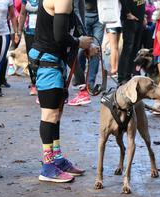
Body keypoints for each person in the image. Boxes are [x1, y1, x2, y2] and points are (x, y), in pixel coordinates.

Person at [28, 0, 93, 182]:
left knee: (55, 114)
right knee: (49, 115)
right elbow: (60, 36)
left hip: (53, 61)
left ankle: (56, 159)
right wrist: (80, 42)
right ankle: (48, 167)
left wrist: (85, 45)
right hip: (47, 62)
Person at [67, 0, 104, 106]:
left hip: (98, 17)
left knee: (94, 50)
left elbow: (77, 10)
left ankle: (89, 85)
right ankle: (80, 81)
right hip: (83, 18)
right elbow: (77, 9)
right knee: (79, 52)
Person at [117, 0, 145, 85]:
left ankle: (129, 75)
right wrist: (127, 13)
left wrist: (144, 16)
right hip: (129, 19)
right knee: (128, 48)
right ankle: (122, 77)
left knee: (135, 49)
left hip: (139, 18)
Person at [17, 0, 39, 96]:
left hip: (43, 32)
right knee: (31, 58)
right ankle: (34, 84)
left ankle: (41, 83)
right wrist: (19, 31)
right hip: (29, 33)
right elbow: (22, 14)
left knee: (42, 58)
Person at [105, 0, 122, 76]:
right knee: (116, 47)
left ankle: (113, 69)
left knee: (113, 48)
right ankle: (117, 68)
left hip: (111, 23)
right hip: (119, 22)